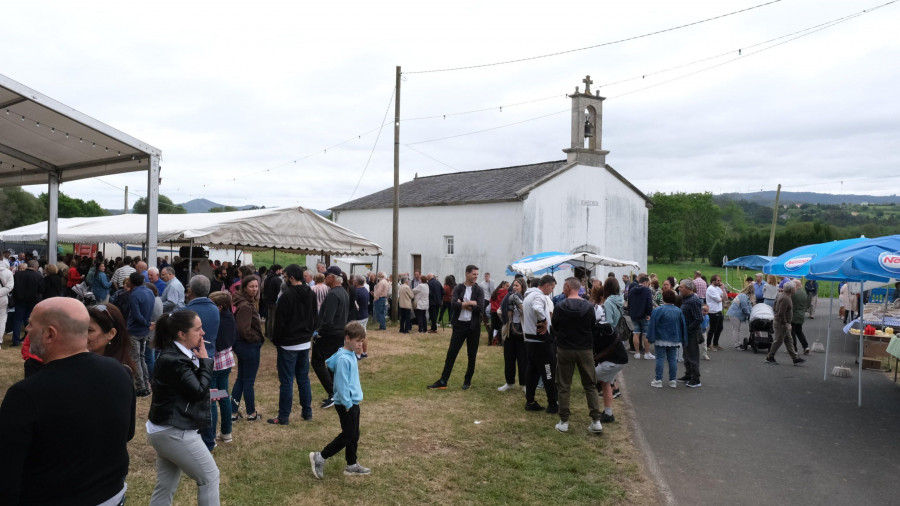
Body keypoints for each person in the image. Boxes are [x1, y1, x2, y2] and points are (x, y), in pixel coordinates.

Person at [0, 297, 135, 505]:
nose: (26, 329)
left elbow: (7, 474)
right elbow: (127, 433)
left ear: (50, 334)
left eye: (31, 324)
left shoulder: (26, 395)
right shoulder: (119, 371)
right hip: (112, 495)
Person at [146, 310, 220, 505]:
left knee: (166, 484)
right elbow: (197, 390)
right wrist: (205, 361)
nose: (203, 333)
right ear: (182, 334)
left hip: (165, 427)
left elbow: (187, 390)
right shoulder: (175, 359)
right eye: (198, 329)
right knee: (210, 477)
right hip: (174, 430)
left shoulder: (178, 354)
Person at [309, 322, 371, 479]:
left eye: (362, 341)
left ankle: (351, 464)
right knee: (348, 435)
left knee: (354, 434)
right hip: (346, 404)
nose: (360, 344)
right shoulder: (344, 359)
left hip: (352, 402)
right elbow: (341, 385)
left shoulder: (349, 354)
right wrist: (348, 404)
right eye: (357, 341)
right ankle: (320, 457)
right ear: (347, 338)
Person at [551, 277, 604, 434]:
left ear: (567, 287)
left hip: (565, 349)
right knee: (590, 385)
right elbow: (592, 325)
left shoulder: (560, 306)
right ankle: (596, 420)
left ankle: (564, 421)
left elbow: (555, 326)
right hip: (585, 349)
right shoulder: (588, 306)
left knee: (564, 385)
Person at [269, 264, 318, 425]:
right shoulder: (310, 293)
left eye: (285, 276)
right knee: (303, 379)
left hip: (289, 344)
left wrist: (276, 340)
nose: (284, 279)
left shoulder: (287, 295)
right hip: (303, 342)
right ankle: (307, 412)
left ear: (291, 277)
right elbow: (314, 317)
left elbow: (280, 322)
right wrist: (309, 333)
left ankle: (284, 416)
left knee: (287, 381)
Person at [426, 265, 485, 390]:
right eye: (474, 274)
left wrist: (463, 304)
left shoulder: (478, 290)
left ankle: (467, 381)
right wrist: (470, 303)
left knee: (472, 355)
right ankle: (443, 381)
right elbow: (453, 305)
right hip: (459, 326)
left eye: (477, 274)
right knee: (451, 353)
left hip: (473, 326)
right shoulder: (458, 288)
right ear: (467, 274)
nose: (476, 276)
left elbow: (480, 307)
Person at [179, 275, 220, 451]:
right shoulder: (215, 309)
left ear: (190, 291)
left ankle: (200, 439)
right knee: (210, 399)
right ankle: (210, 438)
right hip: (210, 358)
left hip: (192, 359)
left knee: (193, 400)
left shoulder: (186, 312)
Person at [519, 274, 558, 412]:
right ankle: (553, 404)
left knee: (532, 371)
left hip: (530, 340)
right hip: (541, 341)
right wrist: (543, 321)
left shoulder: (528, 295)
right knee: (548, 372)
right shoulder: (539, 296)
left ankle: (530, 401)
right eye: (552, 288)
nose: (551, 291)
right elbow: (537, 308)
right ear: (547, 285)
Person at [313, 266, 349, 409]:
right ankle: (336, 393)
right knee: (332, 365)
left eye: (327, 275)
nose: (325, 277)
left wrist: (318, 332)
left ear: (332, 277)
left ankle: (333, 393)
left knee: (317, 362)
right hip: (339, 333)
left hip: (330, 334)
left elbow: (328, 319)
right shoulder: (343, 292)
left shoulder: (333, 294)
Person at [231, 274, 264, 421]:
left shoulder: (246, 302)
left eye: (256, 286)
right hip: (248, 346)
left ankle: (232, 412)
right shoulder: (245, 305)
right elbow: (243, 330)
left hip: (243, 345)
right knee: (248, 381)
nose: (254, 289)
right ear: (244, 287)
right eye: (251, 286)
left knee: (241, 379)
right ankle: (251, 413)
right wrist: (255, 338)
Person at [209, 291, 236, 444]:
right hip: (226, 361)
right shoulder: (230, 317)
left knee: (213, 399)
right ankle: (226, 432)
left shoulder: (218, 320)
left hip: (215, 363)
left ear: (219, 307)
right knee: (223, 396)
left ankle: (211, 435)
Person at [646, 290, 687, 388]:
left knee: (660, 358)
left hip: (660, 338)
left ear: (663, 298)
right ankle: (673, 380)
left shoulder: (657, 310)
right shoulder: (678, 310)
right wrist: (683, 339)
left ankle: (658, 379)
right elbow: (683, 326)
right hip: (674, 338)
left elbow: (652, 325)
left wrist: (650, 337)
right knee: (672, 359)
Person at [86, 302, 137, 373]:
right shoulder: (83, 360)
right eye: (81, 329)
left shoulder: (118, 371)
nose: (83, 334)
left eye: (89, 330)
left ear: (111, 334)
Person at [128, 272, 156, 396]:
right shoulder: (150, 292)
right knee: (142, 357)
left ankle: (141, 388)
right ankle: (146, 384)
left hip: (135, 330)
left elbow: (136, 314)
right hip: (145, 330)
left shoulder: (134, 295)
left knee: (136, 359)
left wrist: (146, 323)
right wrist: (147, 323)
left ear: (132, 282)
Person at [765, 281, 806, 366]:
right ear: (791, 290)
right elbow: (781, 313)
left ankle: (795, 358)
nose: (796, 289)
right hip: (782, 323)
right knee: (779, 340)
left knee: (789, 340)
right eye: (795, 288)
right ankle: (770, 356)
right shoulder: (786, 298)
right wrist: (785, 323)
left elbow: (775, 306)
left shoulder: (783, 295)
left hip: (782, 322)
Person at [498, 278, 527, 391]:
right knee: (509, 358)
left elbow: (529, 314)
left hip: (522, 332)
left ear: (522, 287)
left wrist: (520, 308)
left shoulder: (526, 299)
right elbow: (499, 311)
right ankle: (509, 382)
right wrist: (507, 313)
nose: (514, 288)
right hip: (509, 332)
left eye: (517, 286)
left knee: (523, 359)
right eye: (513, 285)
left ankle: (524, 384)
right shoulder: (507, 297)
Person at [677, 279, 704, 388]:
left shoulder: (693, 300)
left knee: (692, 355)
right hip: (686, 331)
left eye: (681, 287)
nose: (679, 289)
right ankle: (688, 374)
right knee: (686, 355)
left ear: (688, 288)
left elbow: (699, 318)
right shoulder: (685, 299)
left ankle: (696, 379)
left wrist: (688, 329)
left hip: (691, 332)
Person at [11, 260, 43, 346]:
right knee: (30, 321)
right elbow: (41, 290)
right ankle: (30, 339)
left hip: (20, 301)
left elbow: (14, 287)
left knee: (17, 321)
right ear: (36, 267)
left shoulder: (17, 275)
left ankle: (15, 340)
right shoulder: (38, 276)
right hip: (33, 301)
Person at [627, 274, 655, 359]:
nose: (649, 285)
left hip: (634, 315)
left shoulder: (631, 290)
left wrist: (630, 313)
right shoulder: (647, 291)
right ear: (645, 282)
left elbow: (629, 303)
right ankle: (646, 353)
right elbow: (649, 304)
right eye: (648, 283)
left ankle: (637, 353)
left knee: (636, 333)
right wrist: (649, 314)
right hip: (644, 316)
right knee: (646, 334)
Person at [727, 284, 754, 349]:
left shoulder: (745, 297)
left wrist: (751, 313)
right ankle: (737, 344)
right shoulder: (743, 296)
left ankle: (738, 343)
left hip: (735, 314)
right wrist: (750, 314)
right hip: (734, 314)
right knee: (736, 329)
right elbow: (745, 308)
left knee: (736, 329)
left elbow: (749, 307)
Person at [262, 264, 283, 338]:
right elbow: (280, 291)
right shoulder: (277, 280)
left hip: (268, 301)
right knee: (274, 319)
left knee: (269, 319)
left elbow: (263, 289)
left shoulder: (267, 278)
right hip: (274, 302)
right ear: (277, 270)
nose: (282, 272)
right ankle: (273, 335)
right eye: (281, 270)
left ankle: (268, 334)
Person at [705, 274, 725, 351]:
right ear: (713, 281)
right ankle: (708, 344)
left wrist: (722, 289)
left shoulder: (717, 288)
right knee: (713, 329)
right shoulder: (711, 289)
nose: (719, 282)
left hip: (718, 310)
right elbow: (718, 299)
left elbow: (723, 296)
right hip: (713, 311)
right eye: (718, 281)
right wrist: (721, 298)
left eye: (720, 280)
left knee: (720, 328)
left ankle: (715, 343)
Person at [790, 279, 810, 355]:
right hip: (801, 315)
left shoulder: (793, 294)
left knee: (792, 333)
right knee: (799, 331)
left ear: (795, 285)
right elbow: (807, 304)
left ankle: (794, 349)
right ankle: (805, 346)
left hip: (794, 315)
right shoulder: (804, 293)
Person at [489, 281, 509, 346]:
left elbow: (490, 301)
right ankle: (500, 342)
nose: (508, 287)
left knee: (492, 327)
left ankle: (490, 342)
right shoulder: (505, 292)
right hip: (499, 311)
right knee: (501, 326)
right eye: (507, 286)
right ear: (503, 285)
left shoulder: (495, 292)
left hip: (493, 311)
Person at [0, 259, 12, 345]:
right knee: (2, 319)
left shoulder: (8, 272)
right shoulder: (8, 272)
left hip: (3, 297)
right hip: (3, 298)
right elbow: (9, 287)